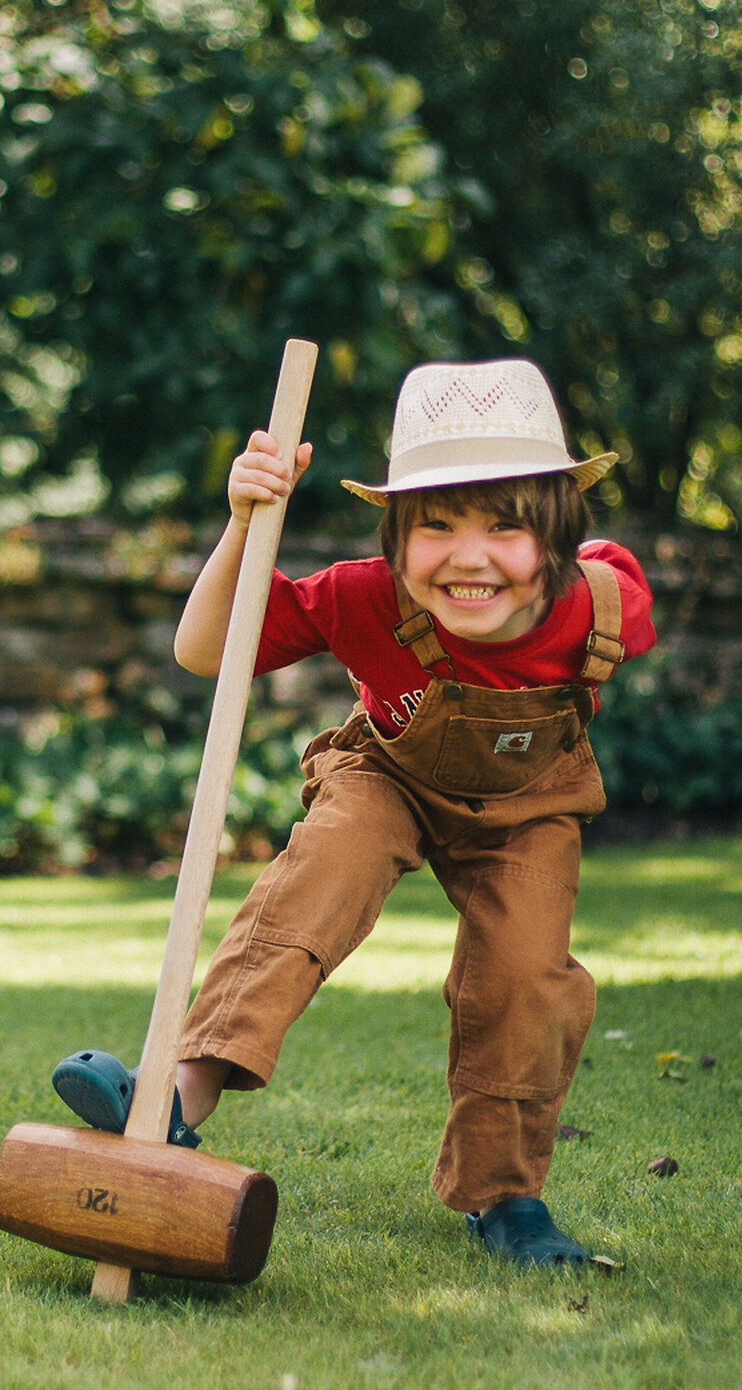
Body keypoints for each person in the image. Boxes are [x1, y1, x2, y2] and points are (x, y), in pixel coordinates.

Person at [47, 358, 657, 1266]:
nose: (469, 554)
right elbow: (206, 648)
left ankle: (508, 1199)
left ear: (559, 533)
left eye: (505, 526)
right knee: (331, 860)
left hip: (531, 805)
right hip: (390, 774)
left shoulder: (607, 600)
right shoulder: (359, 594)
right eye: (437, 526)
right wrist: (243, 525)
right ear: (396, 535)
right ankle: (177, 1090)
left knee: (529, 979)